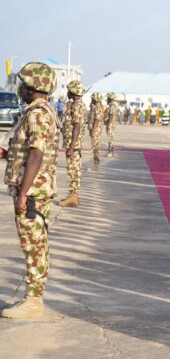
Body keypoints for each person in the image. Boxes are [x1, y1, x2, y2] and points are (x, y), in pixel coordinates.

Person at [0, 62, 60, 319]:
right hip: (35, 188)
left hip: (33, 191)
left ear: (34, 86)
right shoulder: (39, 110)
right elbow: (28, 150)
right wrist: (7, 153)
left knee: (33, 245)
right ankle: (34, 296)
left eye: (24, 84)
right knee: (37, 244)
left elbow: (37, 153)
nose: (20, 88)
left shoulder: (38, 113)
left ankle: (33, 301)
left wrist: (23, 194)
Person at [59, 80, 87, 208]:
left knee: (73, 170)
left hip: (73, 144)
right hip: (72, 143)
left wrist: (71, 147)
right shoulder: (75, 105)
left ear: (74, 92)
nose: (67, 92)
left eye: (69, 90)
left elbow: (77, 126)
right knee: (73, 169)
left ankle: (73, 197)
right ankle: (73, 195)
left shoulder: (77, 106)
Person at [88, 93, 105, 171]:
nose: (91, 100)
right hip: (96, 131)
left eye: (92, 98)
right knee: (95, 148)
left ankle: (96, 165)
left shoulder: (97, 108)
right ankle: (95, 165)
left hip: (96, 131)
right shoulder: (95, 107)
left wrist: (93, 131)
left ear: (95, 99)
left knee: (96, 148)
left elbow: (97, 120)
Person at [104, 92, 118, 157]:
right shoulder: (113, 105)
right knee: (110, 138)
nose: (107, 99)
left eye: (108, 98)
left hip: (111, 124)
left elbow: (111, 115)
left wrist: (108, 124)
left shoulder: (112, 105)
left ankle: (111, 152)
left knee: (110, 138)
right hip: (112, 123)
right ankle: (110, 151)